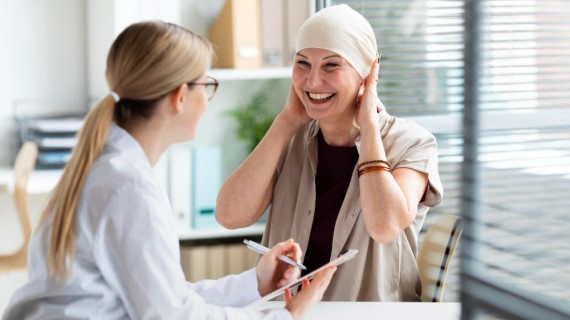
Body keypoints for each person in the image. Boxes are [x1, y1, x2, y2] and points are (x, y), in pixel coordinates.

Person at [2, 21, 336, 320]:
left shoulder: (106, 168)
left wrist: (254, 283)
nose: (208, 100)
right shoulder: (128, 188)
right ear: (179, 97)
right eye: (207, 86)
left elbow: (164, 297)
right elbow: (170, 315)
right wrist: (287, 317)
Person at [216, 4, 443, 301]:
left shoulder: (411, 143)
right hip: (287, 312)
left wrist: (369, 128)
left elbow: (385, 226)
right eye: (302, 64)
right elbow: (230, 216)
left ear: (367, 73)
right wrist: (285, 122)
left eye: (331, 65)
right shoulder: (290, 138)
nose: (312, 81)